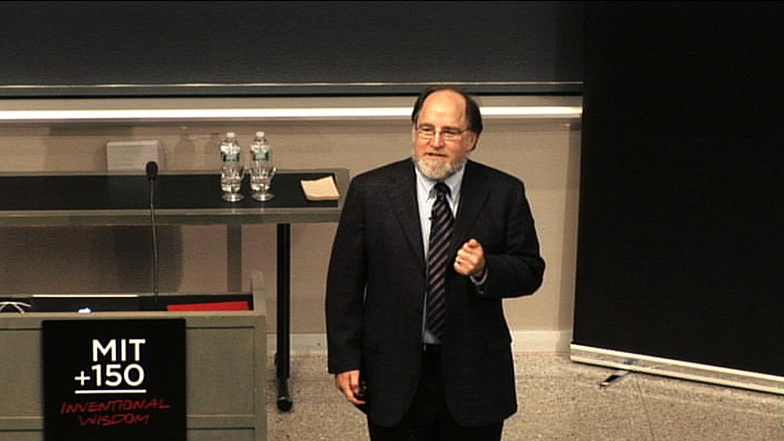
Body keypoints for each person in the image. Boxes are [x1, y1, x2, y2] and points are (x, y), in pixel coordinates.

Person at [325, 86, 545, 441]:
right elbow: (344, 284)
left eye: (450, 132)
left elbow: (530, 271)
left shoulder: (504, 192)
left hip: (474, 371)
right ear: (414, 131)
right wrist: (345, 358)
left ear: (472, 139)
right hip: (393, 369)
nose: (435, 141)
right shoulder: (372, 192)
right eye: (426, 129)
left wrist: (486, 269)